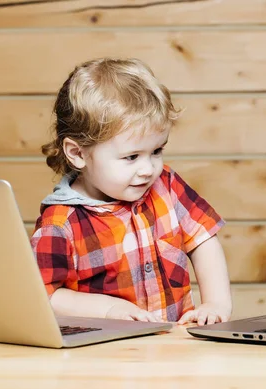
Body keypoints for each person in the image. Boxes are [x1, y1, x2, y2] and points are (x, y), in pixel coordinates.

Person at [31, 57, 232, 325]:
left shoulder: (166, 186)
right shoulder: (60, 222)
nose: (148, 168)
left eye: (157, 151)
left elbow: (203, 240)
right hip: (101, 355)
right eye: (132, 156)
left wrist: (215, 303)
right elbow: (45, 296)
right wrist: (108, 309)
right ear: (78, 153)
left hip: (175, 346)